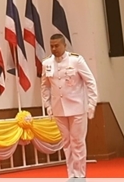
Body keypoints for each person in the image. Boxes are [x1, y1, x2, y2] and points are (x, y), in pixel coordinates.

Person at [40, 33, 98, 179]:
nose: (54, 49)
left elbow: (90, 82)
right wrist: (48, 105)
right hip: (58, 108)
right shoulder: (47, 63)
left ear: (64, 45)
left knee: (77, 142)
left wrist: (91, 104)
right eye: (51, 46)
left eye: (57, 46)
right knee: (66, 143)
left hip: (77, 107)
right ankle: (71, 175)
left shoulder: (76, 60)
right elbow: (44, 86)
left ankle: (80, 175)